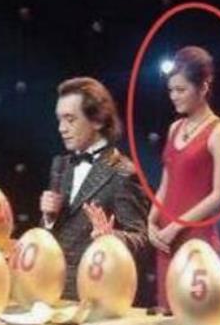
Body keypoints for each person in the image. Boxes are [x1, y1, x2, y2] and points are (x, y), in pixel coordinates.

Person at [40, 77, 149, 300]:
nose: (61, 128)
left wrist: (111, 238)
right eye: (59, 120)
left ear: (97, 120)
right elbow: (52, 235)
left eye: (70, 119)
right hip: (54, 291)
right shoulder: (60, 165)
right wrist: (48, 218)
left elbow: (142, 240)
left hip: (97, 295)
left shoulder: (122, 170)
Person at [146, 46, 220, 314]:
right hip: (166, 236)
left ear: (203, 87)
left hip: (196, 235)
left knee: (197, 314)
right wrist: (151, 220)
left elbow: (219, 195)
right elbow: (166, 183)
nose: (174, 96)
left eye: (181, 90)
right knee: (167, 314)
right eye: (171, 90)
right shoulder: (174, 128)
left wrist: (177, 226)